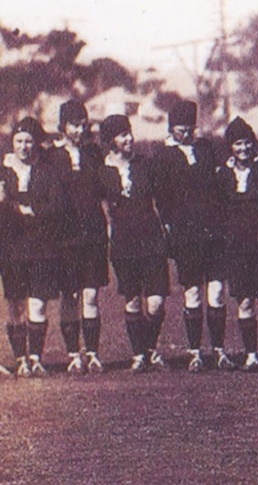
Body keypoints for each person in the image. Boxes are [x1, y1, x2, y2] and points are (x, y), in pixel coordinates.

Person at [155, 100, 232, 372]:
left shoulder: (206, 149)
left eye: (189, 129)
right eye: (180, 130)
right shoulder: (163, 155)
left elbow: (221, 183)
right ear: (171, 128)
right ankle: (195, 351)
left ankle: (220, 350)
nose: (186, 135)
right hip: (185, 235)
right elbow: (161, 198)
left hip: (212, 231)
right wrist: (169, 227)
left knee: (217, 291)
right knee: (193, 294)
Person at [97, 114, 169, 372]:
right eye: (122, 134)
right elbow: (102, 205)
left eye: (129, 132)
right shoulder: (102, 170)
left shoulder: (145, 164)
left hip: (151, 238)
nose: (129, 138)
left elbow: (161, 199)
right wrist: (108, 231)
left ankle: (149, 348)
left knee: (156, 301)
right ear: (111, 140)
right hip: (123, 241)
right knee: (133, 300)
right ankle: (140, 354)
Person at [215, 117, 258, 372]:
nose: (242, 148)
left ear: (253, 143)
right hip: (237, 247)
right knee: (244, 302)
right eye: (237, 144)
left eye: (246, 143)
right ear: (230, 147)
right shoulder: (223, 173)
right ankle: (252, 354)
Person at [47, 100, 108, 374]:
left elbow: (105, 190)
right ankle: (74, 354)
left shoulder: (94, 153)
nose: (80, 129)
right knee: (70, 296)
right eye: (74, 124)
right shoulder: (50, 157)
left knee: (91, 294)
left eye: (83, 124)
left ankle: (93, 353)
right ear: (63, 126)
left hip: (93, 234)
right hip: (64, 238)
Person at [0, 117, 61, 377]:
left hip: (41, 247)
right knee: (15, 305)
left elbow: (56, 206)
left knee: (37, 305)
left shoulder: (47, 171)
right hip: (11, 248)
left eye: (28, 141)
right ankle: (21, 358)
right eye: (19, 141)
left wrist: (26, 209)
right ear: (12, 142)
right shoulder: (4, 171)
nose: (24, 146)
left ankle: (36, 358)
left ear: (35, 143)